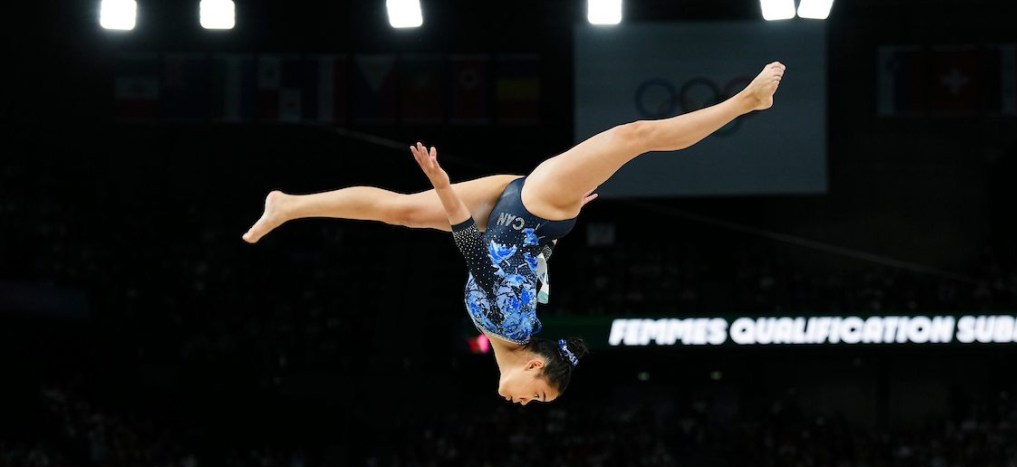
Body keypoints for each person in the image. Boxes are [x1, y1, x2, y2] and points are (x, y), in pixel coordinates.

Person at [242, 61, 786, 406]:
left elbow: (488, 253)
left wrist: (551, 208)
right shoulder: (511, 323)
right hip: (533, 206)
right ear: (532, 365)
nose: (528, 404)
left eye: (537, 401)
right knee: (634, 136)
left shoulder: (510, 328)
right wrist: (450, 185)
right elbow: (472, 248)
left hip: (515, 212)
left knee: (402, 212)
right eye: (540, 396)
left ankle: (289, 204)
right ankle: (744, 102)